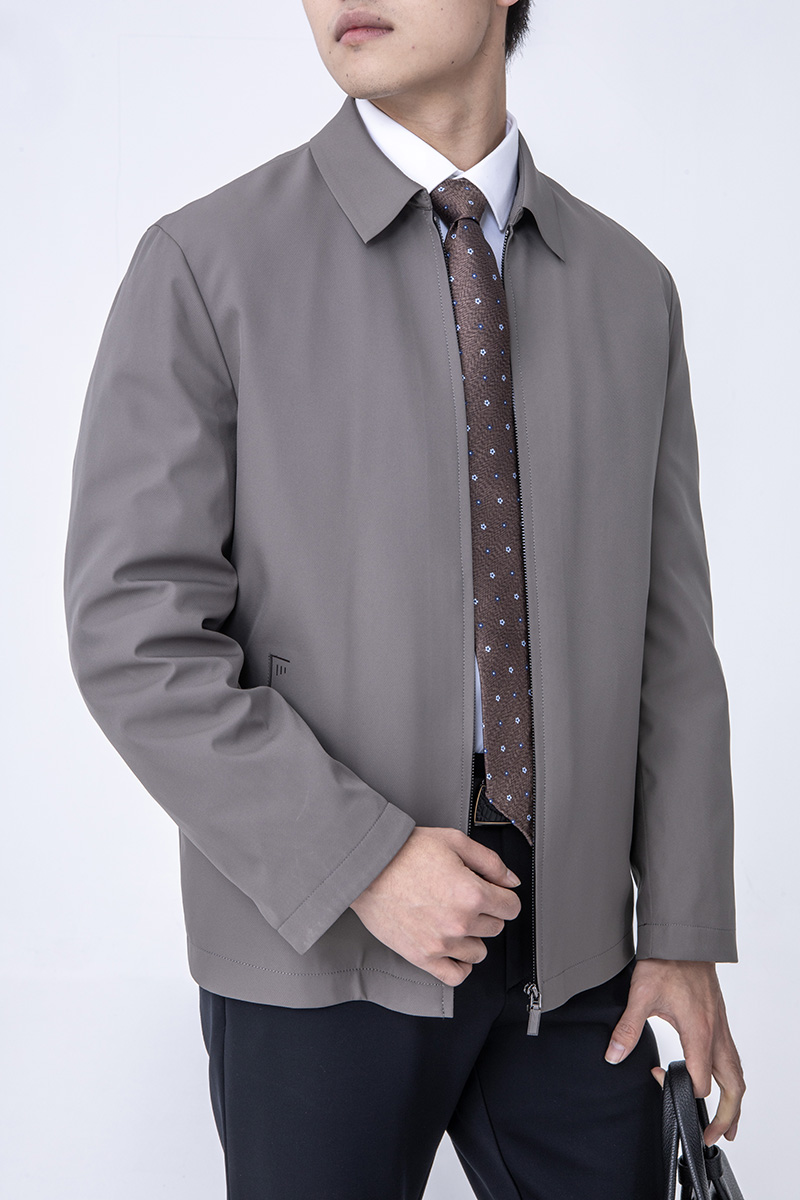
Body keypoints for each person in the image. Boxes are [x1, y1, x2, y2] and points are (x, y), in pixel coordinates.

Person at [63, 1, 746, 1196]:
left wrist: (680, 932)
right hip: (317, 954)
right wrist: (360, 860)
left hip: (578, 965)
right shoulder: (207, 265)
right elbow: (135, 629)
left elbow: (670, 642)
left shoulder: (628, 289)